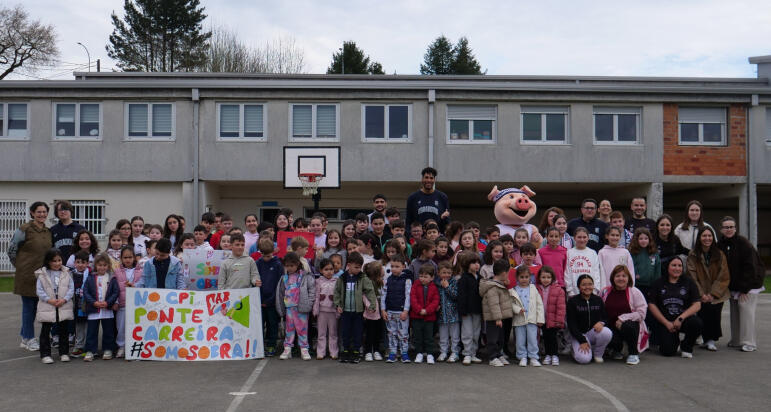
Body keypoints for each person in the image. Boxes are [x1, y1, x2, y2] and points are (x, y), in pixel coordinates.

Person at [8, 201, 52, 351]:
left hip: (42, 276)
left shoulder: (47, 231)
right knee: (29, 307)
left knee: (38, 308)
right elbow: (12, 250)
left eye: (44, 212)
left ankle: (25, 335)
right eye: (38, 212)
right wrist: (20, 266)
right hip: (27, 276)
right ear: (32, 213)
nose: (42, 214)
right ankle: (29, 338)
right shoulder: (24, 229)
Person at [718, 216, 766, 352]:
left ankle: (749, 342)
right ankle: (736, 340)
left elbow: (751, 267)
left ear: (735, 228)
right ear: (721, 230)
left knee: (745, 310)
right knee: (734, 311)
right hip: (734, 286)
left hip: (749, 284)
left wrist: (745, 289)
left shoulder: (744, 243)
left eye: (731, 227)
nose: (729, 229)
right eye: (726, 227)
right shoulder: (720, 244)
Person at [647, 257, 703, 357]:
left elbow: (697, 304)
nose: (677, 268)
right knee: (667, 352)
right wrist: (666, 323)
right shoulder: (658, 283)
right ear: (667, 267)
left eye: (679, 266)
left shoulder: (689, 282)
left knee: (696, 323)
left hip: (683, 319)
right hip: (665, 321)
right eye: (673, 265)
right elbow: (651, 305)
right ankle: (673, 340)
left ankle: (686, 346)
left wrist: (681, 319)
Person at [686, 226, 730, 351]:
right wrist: (701, 294)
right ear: (699, 238)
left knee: (714, 315)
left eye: (709, 236)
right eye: (704, 236)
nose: (707, 238)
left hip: (716, 292)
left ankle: (711, 340)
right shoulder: (693, 254)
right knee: (701, 315)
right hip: (701, 292)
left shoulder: (719, 254)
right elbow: (691, 275)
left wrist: (713, 294)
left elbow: (724, 275)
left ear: (713, 238)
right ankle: (700, 337)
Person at [599, 265, 649, 365]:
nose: (621, 278)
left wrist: (623, 318)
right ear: (613, 278)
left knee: (628, 326)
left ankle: (633, 353)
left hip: (628, 326)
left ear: (628, 278)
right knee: (603, 331)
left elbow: (642, 313)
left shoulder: (635, 292)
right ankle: (616, 349)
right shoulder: (605, 291)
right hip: (611, 326)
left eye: (624, 276)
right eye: (617, 276)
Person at [334, 252, 377, 364]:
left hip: (358, 312)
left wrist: (373, 304)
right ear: (348, 265)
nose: (358, 269)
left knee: (357, 332)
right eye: (356, 267)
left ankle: (357, 351)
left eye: (360, 267)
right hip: (345, 311)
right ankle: (346, 351)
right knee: (345, 332)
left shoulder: (363, 277)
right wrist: (338, 304)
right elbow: (337, 292)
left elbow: (370, 291)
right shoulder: (342, 278)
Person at [35, 248, 74, 364]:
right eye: (54, 261)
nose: (57, 263)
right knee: (46, 330)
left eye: (59, 260)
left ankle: (64, 353)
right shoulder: (42, 274)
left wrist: (65, 299)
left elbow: (71, 288)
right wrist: (49, 300)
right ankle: (45, 354)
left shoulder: (66, 273)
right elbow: (39, 290)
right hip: (48, 306)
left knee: (63, 330)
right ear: (48, 262)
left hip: (63, 305)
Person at [276, 252, 315, 361]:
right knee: (289, 329)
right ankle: (287, 349)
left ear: (298, 264)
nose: (289, 268)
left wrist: (309, 304)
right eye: (287, 266)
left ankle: (304, 349)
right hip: (289, 308)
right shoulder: (284, 278)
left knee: (302, 329)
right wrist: (281, 308)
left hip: (301, 308)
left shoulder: (305, 277)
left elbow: (312, 290)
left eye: (292, 265)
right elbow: (280, 293)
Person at [566, 274, 612, 364]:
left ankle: (598, 354)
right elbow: (571, 324)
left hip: (593, 333)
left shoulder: (598, 300)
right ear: (579, 287)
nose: (587, 287)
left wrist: (602, 323)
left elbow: (606, 318)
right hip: (579, 335)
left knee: (606, 332)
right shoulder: (572, 301)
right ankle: (574, 349)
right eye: (584, 285)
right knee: (584, 359)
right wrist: (582, 340)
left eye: (590, 284)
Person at [83, 253, 119, 362]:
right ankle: (90, 351)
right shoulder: (90, 278)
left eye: (104, 265)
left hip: (107, 309)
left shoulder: (112, 278)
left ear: (108, 266)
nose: (102, 267)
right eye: (99, 265)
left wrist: (108, 302)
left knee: (108, 331)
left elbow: (115, 292)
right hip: (94, 309)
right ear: (95, 266)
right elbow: (86, 292)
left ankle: (108, 349)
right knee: (92, 331)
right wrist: (93, 302)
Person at [480, 259, 515, 367]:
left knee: (500, 337)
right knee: (493, 338)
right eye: (508, 273)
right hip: (493, 318)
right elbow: (493, 304)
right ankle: (492, 357)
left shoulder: (498, 284)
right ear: (504, 273)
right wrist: (498, 318)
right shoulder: (492, 287)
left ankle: (498, 354)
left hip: (499, 317)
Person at [510, 265, 545, 367]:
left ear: (530, 277)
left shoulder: (533, 289)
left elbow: (539, 304)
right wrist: (517, 309)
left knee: (532, 339)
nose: (524, 279)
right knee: (520, 340)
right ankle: (522, 357)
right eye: (521, 277)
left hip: (532, 319)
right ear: (517, 278)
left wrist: (540, 319)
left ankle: (533, 357)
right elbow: (511, 303)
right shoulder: (513, 290)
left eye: (526, 277)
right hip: (519, 319)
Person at [381, 254, 413, 363]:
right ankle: (393, 353)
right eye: (392, 266)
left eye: (397, 266)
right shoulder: (387, 280)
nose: (394, 269)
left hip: (401, 312)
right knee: (391, 333)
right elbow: (383, 295)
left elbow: (408, 296)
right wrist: (383, 310)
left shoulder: (407, 280)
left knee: (403, 334)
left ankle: (404, 353)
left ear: (403, 267)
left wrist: (405, 310)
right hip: (390, 311)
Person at [255, 237, 284, 357]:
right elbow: (255, 281)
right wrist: (260, 299)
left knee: (272, 325)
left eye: (268, 255)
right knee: (260, 325)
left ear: (273, 252)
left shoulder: (278, 265)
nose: (266, 258)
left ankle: (272, 345)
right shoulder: (257, 264)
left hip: (273, 302)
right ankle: (260, 346)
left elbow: (280, 284)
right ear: (260, 253)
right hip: (260, 301)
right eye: (264, 255)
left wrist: (272, 300)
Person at [113, 246, 142, 358]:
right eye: (125, 257)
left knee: (135, 327)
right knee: (121, 327)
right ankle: (121, 346)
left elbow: (143, 285)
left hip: (136, 305)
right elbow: (114, 288)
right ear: (121, 258)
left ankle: (134, 347)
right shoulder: (116, 271)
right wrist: (115, 301)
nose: (128, 260)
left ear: (134, 257)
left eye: (130, 257)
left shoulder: (140, 271)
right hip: (122, 304)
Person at [457, 251, 483, 365]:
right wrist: (462, 310)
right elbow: (461, 296)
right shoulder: (464, 278)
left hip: (477, 309)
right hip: (467, 310)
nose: (476, 265)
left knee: (476, 332)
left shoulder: (480, 278)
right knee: (467, 332)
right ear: (467, 264)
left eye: (478, 262)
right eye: (473, 263)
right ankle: (467, 353)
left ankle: (473, 353)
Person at [410, 263, 439, 364]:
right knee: (418, 336)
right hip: (416, 316)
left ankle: (430, 354)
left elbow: (435, 301)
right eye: (421, 276)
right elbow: (413, 299)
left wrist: (427, 311)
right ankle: (419, 353)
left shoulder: (434, 287)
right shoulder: (415, 285)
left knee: (429, 337)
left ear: (432, 278)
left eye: (425, 276)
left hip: (429, 317)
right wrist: (419, 310)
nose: (422, 278)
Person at [405, 167, 450, 233]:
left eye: (431, 178)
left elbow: (447, 221)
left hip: (436, 237)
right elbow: (408, 221)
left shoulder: (442, 197)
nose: (429, 180)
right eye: (426, 177)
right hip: (419, 237)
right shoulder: (413, 198)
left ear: (434, 180)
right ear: (422, 179)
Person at [537, 266, 566, 366]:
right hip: (542, 319)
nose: (546, 280)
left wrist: (559, 320)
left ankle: (555, 355)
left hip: (553, 319)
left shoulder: (559, 290)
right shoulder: (537, 289)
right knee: (545, 337)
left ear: (552, 278)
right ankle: (548, 355)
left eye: (548, 277)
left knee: (553, 337)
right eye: (543, 277)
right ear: (539, 278)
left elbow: (561, 307)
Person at [565, 227, 603, 297]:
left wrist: (594, 291)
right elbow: (567, 273)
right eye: (579, 237)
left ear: (588, 238)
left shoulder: (593, 253)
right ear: (574, 238)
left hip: (590, 292)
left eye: (584, 237)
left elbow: (596, 273)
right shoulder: (568, 253)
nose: (582, 240)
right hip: (573, 294)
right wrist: (570, 291)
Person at [313, 258, 339, 360]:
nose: (329, 272)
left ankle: (334, 352)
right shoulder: (318, 281)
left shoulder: (337, 281)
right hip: (322, 312)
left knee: (333, 333)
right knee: (321, 333)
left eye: (331, 269)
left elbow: (339, 296)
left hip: (333, 311)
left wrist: (338, 309)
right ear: (321, 270)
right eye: (326, 269)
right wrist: (315, 309)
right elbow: (316, 296)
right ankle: (321, 352)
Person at [436, 260, 460, 363]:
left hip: (453, 314)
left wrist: (447, 287)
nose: (446, 275)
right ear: (439, 273)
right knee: (443, 335)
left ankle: (454, 352)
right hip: (442, 314)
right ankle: (443, 352)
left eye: (449, 273)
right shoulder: (436, 283)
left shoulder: (454, 282)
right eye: (444, 273)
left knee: (455, 335)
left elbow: (456, 295)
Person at [629, 228, 661, 299]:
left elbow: (657, 269)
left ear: (649, 239)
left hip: (651, 285)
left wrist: (657, 283)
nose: (643, 241)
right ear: (636, 240)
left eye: (646, 238)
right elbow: (630, 267)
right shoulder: (633, 253)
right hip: (637, 285)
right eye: (641, 239)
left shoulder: (654, 253)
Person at [69, 250, 90, 357]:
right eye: (78, 262)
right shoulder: (71, 275)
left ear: (87, 263)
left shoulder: (90, 275)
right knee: (79, 327)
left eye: (83, 262)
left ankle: (88, 346)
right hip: (76, 306)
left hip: (87, 306)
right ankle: (79, 345)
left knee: (88, 327)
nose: (80, 265)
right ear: (74, 263)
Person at [362, 261, 384, 362]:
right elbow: (365, 296)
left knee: (378, 332)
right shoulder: (368, 283)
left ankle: (376, 350)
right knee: (370, 332)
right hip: (371, 312)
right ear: (377, 273)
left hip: (380, 312)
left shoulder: (382, 282)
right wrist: (370, 306)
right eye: (381, 269)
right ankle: (367, 351)